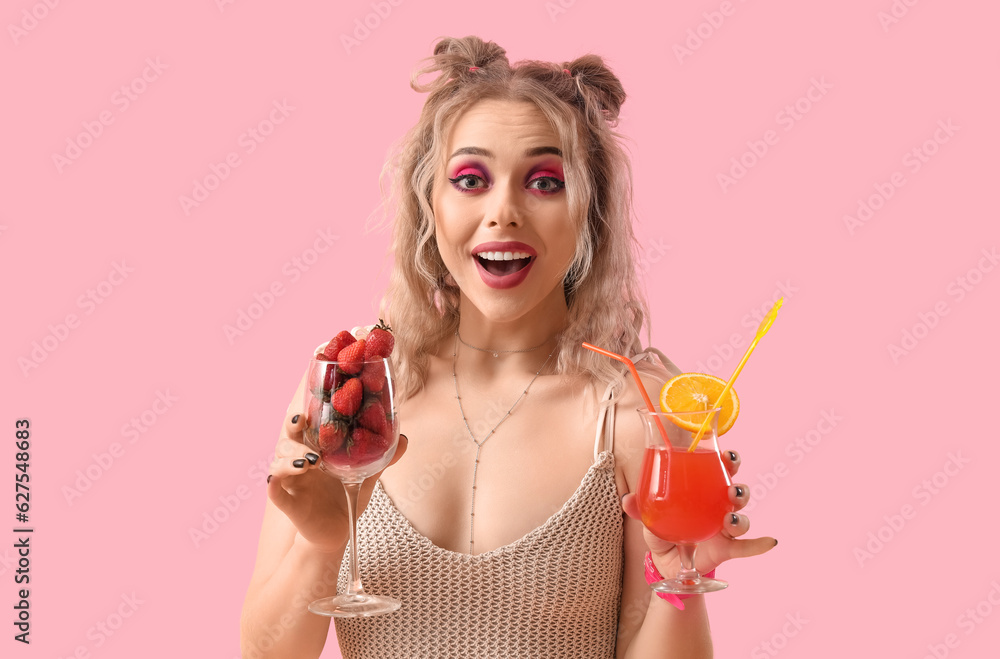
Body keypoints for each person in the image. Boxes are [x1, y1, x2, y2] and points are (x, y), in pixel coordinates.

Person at [241, 35, 776, 658]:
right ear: (427, 204)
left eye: (545, 182)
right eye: (470, 179)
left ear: (588, 214)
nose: (504, 212)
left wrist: (678, 584)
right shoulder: (353, 387)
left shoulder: (634, 411)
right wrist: (322, 543)